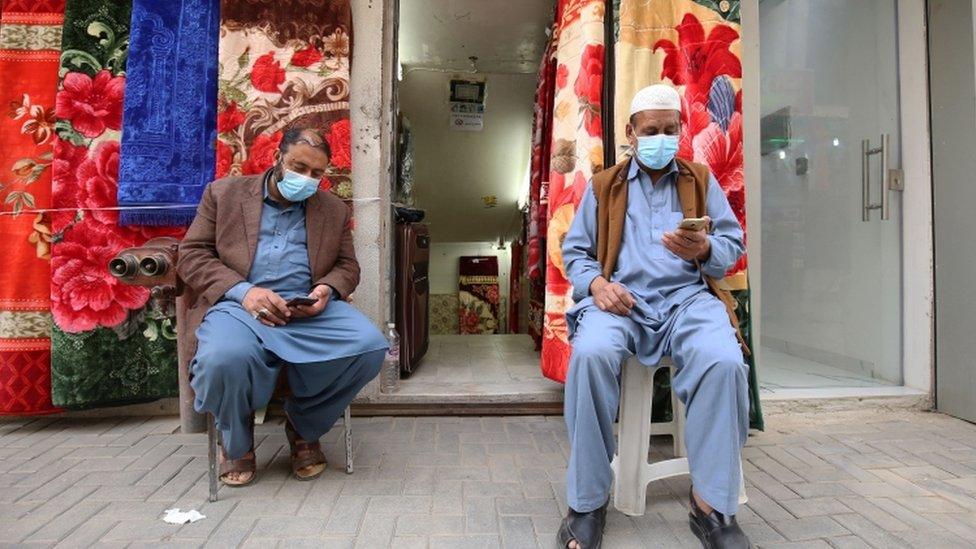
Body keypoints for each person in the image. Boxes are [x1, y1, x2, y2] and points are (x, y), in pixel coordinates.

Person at [556, 84, 752, 549]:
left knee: (723, 361)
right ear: (631, 132)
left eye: (670, 129)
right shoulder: (605, 187)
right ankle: (586, 502)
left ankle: (711, 506)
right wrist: (598, 286)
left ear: (681, 130)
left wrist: (705, 248)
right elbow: (576, 254)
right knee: (589, 355)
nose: (661, 138)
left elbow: (732, 246)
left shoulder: (701, 181)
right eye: (651, 130)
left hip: (688, 300)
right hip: (623, 302)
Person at [177, 128, 387, 487]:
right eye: (298, 167)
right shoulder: (223, 193)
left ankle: (304, 426)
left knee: (369, 346)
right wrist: (244, 292)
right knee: (222, 358)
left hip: (305, 309)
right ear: (278, 156)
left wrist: (326, 289)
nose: (306, 179)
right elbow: (191, 255)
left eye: (316, 173)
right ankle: (237, 442)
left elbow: (347, 266)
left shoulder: (333, 209)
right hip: (239, 307)